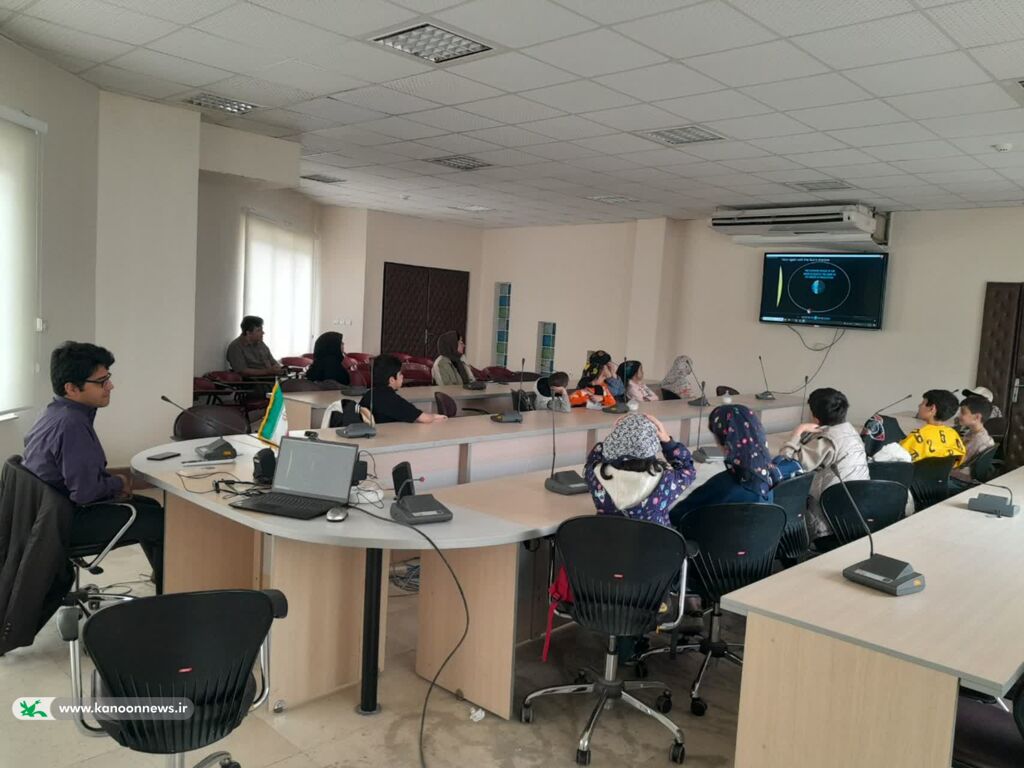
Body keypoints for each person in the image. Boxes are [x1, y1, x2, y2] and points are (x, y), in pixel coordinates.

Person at [22, 342, 164, 593]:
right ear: (71, 388)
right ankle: (170, 593)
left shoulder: (54, 411)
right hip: (66, 521)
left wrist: (111, 484)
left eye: (108, 378)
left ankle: (164, 580)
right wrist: (119, 483)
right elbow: (86, 493)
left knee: (150, 506)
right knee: (162, 522)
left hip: (45, 515)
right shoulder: (72, 424)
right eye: (101, 382)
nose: (110, 386)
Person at [777, 388, 870, 540]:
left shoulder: (828, 440)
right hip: (857, 514)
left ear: (815, 416)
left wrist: (798, 431)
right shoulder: (851, 432)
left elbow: (786, 463)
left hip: (828, 525)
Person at [670, 404, 781, 527]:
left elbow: (676, 516)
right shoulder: (772, 476)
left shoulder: (721, 484)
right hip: (756, 538)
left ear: (727, 442)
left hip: (707, 538)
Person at [585, 413, 696, 527]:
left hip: (608, 536)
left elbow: (593, 457)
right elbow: (688, 469)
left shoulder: (594, 475)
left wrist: (618, 435)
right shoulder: (666, 481)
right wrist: (668, 442)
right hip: (655, 538)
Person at [359, 354, 447, 424]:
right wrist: (437, 416)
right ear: (392, 380)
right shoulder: (391, 399)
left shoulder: (368, 395)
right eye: (400, 374)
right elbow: (423, 418)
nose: (402, 376)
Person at [899, 390, 966, 465]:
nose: (919, 405)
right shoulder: (954, 435)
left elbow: (897, 459)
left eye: (923, 403)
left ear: (932, 408)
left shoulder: (918, 435)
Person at [950, 396, 996, 489]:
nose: (959, 416)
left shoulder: (978, 440)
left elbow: (957, 463)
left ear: (977, 417)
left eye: (963, 412)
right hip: (964, 477)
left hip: (961, 481)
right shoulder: (974, 433)